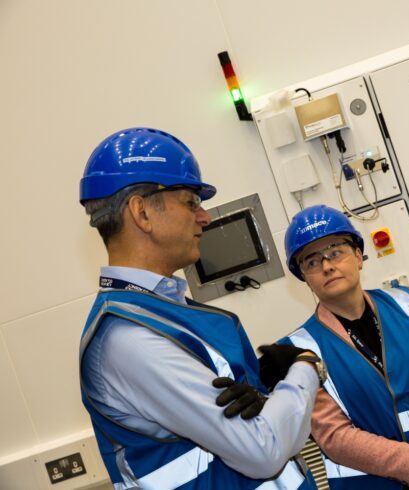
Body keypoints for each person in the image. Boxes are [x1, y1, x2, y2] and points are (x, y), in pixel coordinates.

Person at [78, 127, 325, 489]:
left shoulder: (165, 313)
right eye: (191, 203)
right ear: (142, 212)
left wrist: (263, 395)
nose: (205, 217)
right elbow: (263, 449)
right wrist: (307, 367)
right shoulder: (128, 338)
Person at [276, 205, 409, 490]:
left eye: (335, 251)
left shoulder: (408, 304)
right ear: (304, 278)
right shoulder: (299, 350)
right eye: (311, 262)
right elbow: (335, 436)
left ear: (359, 256)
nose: (326, 266)